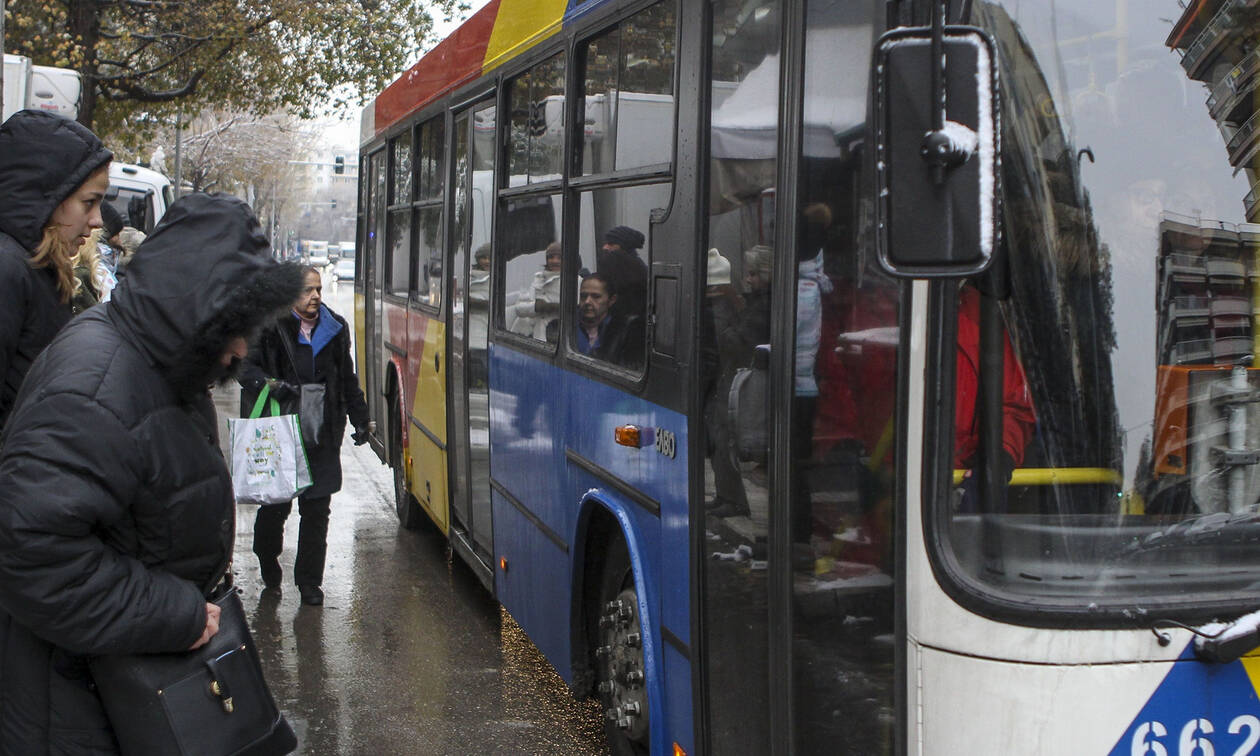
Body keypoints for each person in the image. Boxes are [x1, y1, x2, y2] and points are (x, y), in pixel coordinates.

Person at [0, 192, 304, 752]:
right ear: (197, 307)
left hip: (118, 694)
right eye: (233, 327)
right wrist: (177, 614)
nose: (241, 349)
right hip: (81, 715)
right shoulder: (96, 387)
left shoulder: (159, 361)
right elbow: (32, 552)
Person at [239, 266, 374, 606]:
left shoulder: (335, 327)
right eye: (307, 290)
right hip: (280, 432)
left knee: (317, 511)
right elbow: (245, 368)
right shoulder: (269, 326)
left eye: (318, 290)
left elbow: (346, 377)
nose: (315, 296)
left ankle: (309, 582)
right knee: (275, 509)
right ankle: (267, 557)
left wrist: (360, 417)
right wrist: (272, 385)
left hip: (322, 432)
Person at [0, 109, 113, 430]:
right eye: (89, 202)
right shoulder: (9, 270)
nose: (97, 221)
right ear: (48, 197)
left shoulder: (38, 270)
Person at [576, 272, 636, 364]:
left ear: (612, 300)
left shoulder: (624, 332)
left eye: (596, 296)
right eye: (583, 296)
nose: (587, 301)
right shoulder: (566, 325)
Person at [596, 225, 647, 323]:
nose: (605, 247)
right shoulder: (640, 267)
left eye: (610, 243)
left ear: (623, 246)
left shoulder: (614, 262)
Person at [511, 242, 562, 341]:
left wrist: (553, 307)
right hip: (531, 337)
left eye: (559, 257)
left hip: (556, 338)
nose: (555, 261)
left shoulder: (576, 280)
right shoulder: (538, 279)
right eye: (551, 257)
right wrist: (536, 307)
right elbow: (519, 308)